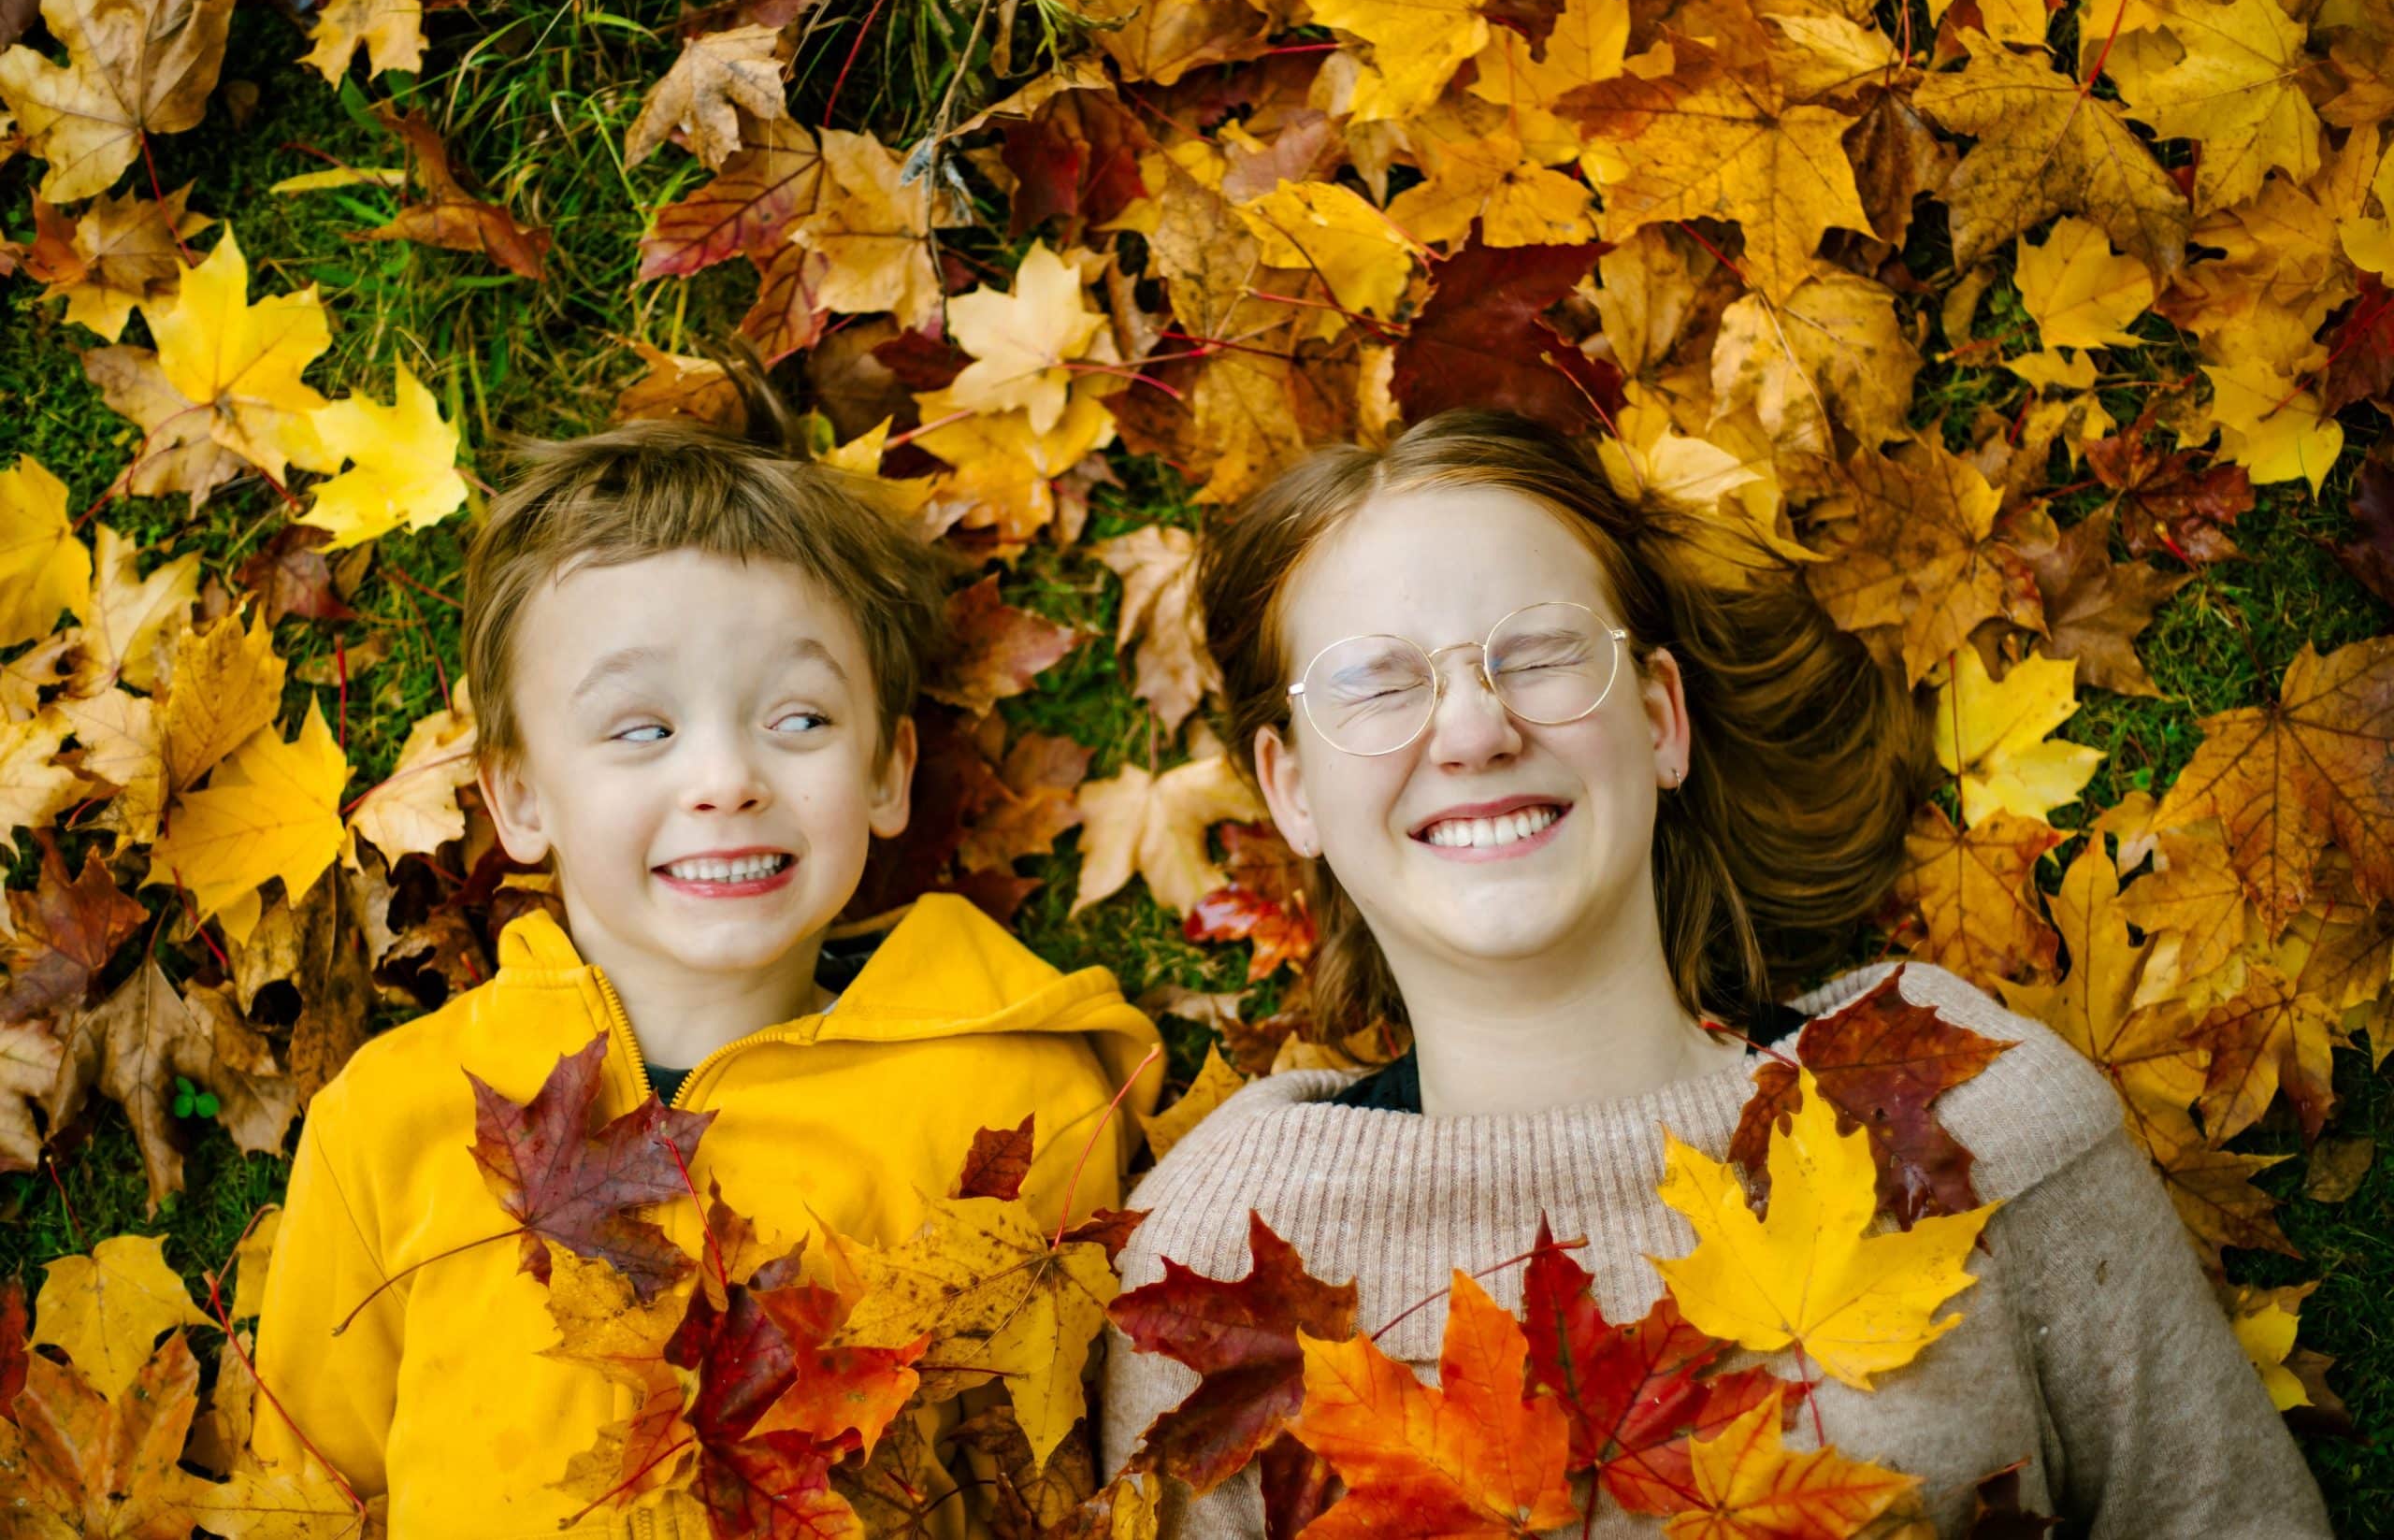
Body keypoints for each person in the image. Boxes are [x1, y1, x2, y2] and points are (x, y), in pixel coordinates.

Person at [1099, 410, 2330, 1536]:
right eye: (1378, 682)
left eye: (1538, 653)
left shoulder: (1967, 1110)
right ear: (1292, 789)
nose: (1474, 729)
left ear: (1662, 721)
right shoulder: (1213, 1266)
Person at [253, 385, 1163, 1537]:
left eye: (797, 720)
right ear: (520, 796)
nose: (727, 777)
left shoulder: (1026, 1103)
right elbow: (301, 1495)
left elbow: (1071, 1472)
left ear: (887, 773)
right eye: (643, 730)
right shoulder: (392, 1119)